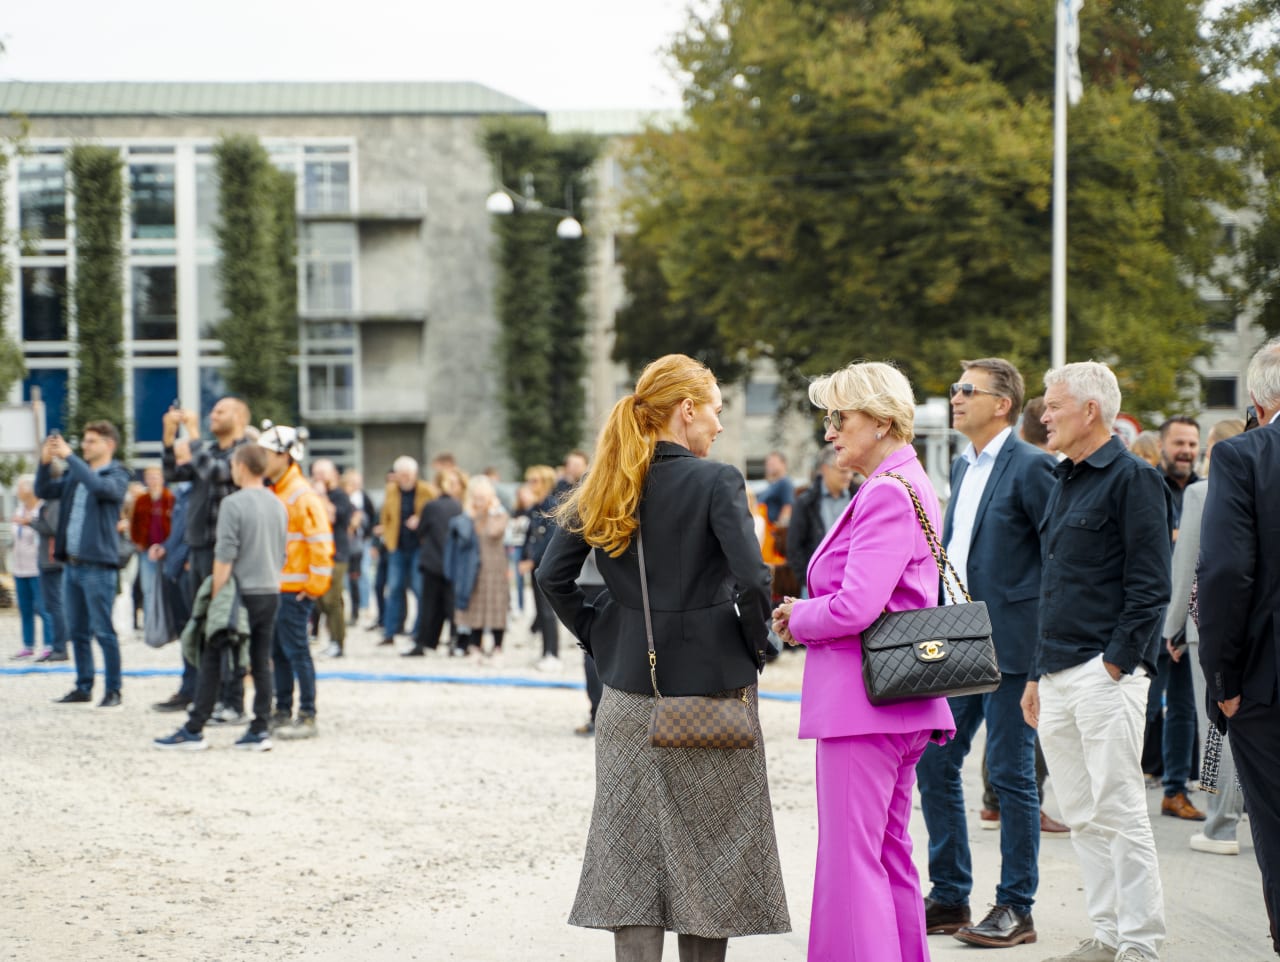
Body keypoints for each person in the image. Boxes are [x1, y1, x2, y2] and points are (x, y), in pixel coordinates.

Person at [537, 353, 789, 962]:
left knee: (632, 858)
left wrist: (602, 635)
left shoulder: (606, 478)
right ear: (686, 410)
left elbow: (552, 576)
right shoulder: (716, 480)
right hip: (712, 695)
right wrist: (760, 646)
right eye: (716, 411)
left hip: (626, 690)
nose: (719, 426)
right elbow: (754, 578)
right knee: (713, 852)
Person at [771, 360, 954, 962]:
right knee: (887, 852)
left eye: (839, 417)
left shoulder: (885, 492)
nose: (831, 432)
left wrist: (797, 618)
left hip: (864, 705)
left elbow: (855, 607)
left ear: (878, 421)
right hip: (896, 703)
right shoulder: (906, 482)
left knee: (853, 861)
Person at [1020, 361, 1170, 962]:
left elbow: (1150, 585)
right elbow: (1054, 587)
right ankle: (1106, 933)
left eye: (1054, 405)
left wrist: (1117, 665)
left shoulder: (1135, 480)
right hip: (1055, 673)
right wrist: (1035, 673)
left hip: (1102, 674)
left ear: (1090, 411)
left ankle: (1140, 941)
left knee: (1121, 809)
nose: (1044, 415)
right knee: (1081, 815)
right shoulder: (1064, 479)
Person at [915, 360, 1055, 948]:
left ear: (1002, 404)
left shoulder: (1032, 466)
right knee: (935, 762)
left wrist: (1045, 659)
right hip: (960, 640)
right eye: (954, 389)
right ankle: (949, 896)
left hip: (1014, 648)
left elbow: (1057, 562)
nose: (955, 397)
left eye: (967, 390)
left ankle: (1016, 906)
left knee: (1009, 776)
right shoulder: (962, 463)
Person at [1198, 336, 1280, 957]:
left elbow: (1226, 572)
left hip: (1266, 684)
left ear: (1257, 398)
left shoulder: (1246, 456)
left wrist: (1221, 680)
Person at [153, 443, 287, 751]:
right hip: (269, 590)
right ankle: (259, 728)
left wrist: (215, 598)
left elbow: (225, 556)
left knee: (212, 656)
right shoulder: (278, 504)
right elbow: (281, 552)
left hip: (238, 593)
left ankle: (194, 728)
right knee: (261, 660)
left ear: (240, 466)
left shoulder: (233, 503)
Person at [1163, 417, 1246, 855]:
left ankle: (1220, 827)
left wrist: (1171, 625)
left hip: (1206, 626)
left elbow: (1186, 565)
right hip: (1256, 625)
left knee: (1215, 728)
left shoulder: (1201, 492)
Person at [155, 397, 251, 714]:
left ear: (238, 417)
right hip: (198, 548)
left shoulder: (245, 451)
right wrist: (169, 439)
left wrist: (192, 431)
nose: (212, 415)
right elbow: (172, 474)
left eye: (220, 411)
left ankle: (231, 697)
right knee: (200, 624)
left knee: (226, 624)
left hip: (227, 551)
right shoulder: (206, 450)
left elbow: (216, 474)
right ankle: (202, 694)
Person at [35, 423, 132, 707]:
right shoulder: (75, 476)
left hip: (99, 566)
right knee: (76, 631)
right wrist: (45, 461)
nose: (85, 446)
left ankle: (113, 690)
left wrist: (69, 457)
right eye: (84, 441)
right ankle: (83, 685)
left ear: (109, 444)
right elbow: (43, 488)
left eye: (91, 441)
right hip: (72, 565)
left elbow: (100, 488)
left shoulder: (118, 474)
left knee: (103, 631)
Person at [1145, 416, 1205, 820]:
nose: (1185, 450)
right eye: (1178, 443)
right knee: (1142, 708)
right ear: (1163, 446)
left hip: (1188, 619)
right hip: (1148, 618)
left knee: (1183, 710)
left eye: (1191, 444)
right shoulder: (1146, 486)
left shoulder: (1207, 492)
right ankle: (1122, 790)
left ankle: (1176, 791)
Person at [259, 423, 333, 740]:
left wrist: (313, 587)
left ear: (284, 455)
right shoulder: (280, 491)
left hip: (295, 590)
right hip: (281, 588)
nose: (262, 457)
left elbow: (320, 543)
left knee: (297, 652)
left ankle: (307, 714)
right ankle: (283, 709)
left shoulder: (301, 495)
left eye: (266, 452)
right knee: (279, 652)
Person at [444, 474, 509, 659]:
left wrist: (493, 511)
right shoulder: (468, 517)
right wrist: (469, 515)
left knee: (496, 607)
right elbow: (462, 537)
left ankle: (497, 646)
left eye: (483, 497)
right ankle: (475, 645)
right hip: (473, 569)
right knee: (475, 607)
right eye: (476, 497)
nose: (479, 501)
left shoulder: (499, 514)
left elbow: (493, 532)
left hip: (494, 569)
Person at [378, 456, 436, 645]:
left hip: (419, 547)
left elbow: (434, 515)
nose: (405, 478)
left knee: (419, 590)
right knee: (394, 589)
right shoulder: (391, 491)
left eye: (409, 474)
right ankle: (390, 631)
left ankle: (418, 630)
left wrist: (420, 519)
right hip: (397, 547)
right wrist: (387, 539)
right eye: (402, 474)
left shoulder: (426, 491)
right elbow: (385, 518)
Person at [785, 448, 858, 592]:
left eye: (851, 472)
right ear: (825, 469)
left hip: (852, 585)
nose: (848, 476)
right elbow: (794, 547)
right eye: (843, 471)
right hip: (816, 588)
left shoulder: (859, 497)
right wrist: (808, 580)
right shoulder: (805, 502)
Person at [407, 469, 463, 656]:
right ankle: (456, 641)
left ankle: (425, 642)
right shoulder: (458, 506)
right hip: (453, 561)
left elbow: (421, 531)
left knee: (429, 604)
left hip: (432, 559)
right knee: (451, 603)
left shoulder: (431, 506)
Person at [519, 464, 562, 672]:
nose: (530, 485)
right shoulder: (534, 508)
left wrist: (532, 560)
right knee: (539, 609)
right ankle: (545, 652)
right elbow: (528, 536)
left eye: (534, 480)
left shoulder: (551, 506)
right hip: (535, 565)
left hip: (545, 566)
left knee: (547, 611)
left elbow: (550, 540)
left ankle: (553, 653)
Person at [9, 475, 55, 660]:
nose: (18, 491)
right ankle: (28, 645)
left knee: (43, 607)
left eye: (21, 487)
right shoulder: (19, 509)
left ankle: (49, 644)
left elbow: (45, 532)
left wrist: (29, 523)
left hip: (37, 567)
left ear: (30, 489)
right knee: (25, 608)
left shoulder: (41, 510)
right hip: (19, 567)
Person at [310, 459, 351, 658]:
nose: (319, 477)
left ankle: (338, 641)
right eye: (316, 473)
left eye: (323, 473)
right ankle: (332, 638)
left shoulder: (340, 496)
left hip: (338, 553)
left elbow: (334, 517)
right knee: (321, 600)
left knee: (332, 598)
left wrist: (322, 496)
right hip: (318, 554)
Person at [28, 465, 69, 662]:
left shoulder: (54, 501)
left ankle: (60, 647)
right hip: (47, 557)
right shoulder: (51, 500)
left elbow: (53, 527)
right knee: (49, 604)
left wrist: (32, 522)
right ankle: (57, 645)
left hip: (52, 559)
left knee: (54, 604)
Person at [129, 465, 174, 637]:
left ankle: (167, 625)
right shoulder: (142, 500)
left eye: (157, 476)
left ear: (162, 478)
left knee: (167, 588)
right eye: (150, 477)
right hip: (146, 551)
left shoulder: (170, 498)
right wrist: (138, 542)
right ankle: (150, 627)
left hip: (167, 551)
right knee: (148, 589)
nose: (154, 480)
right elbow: (134, 524)